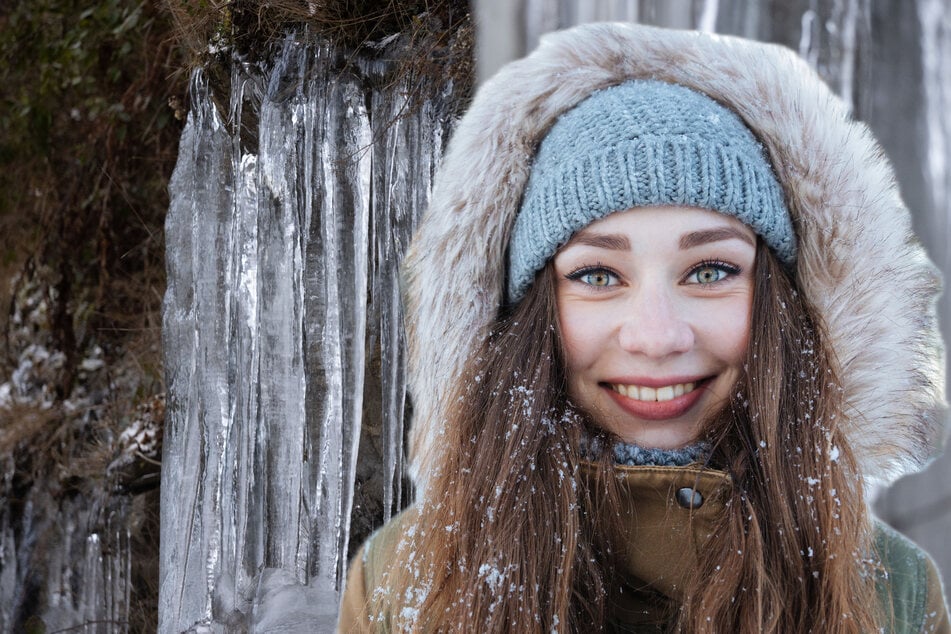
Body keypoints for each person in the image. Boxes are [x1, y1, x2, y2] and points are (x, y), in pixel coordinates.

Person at [337, 22, 950, 633]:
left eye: (710, 270)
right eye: (598, 275)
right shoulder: (402, 581)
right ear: (528, 317)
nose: (656, 338)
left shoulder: (895, 591)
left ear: (785, 307)